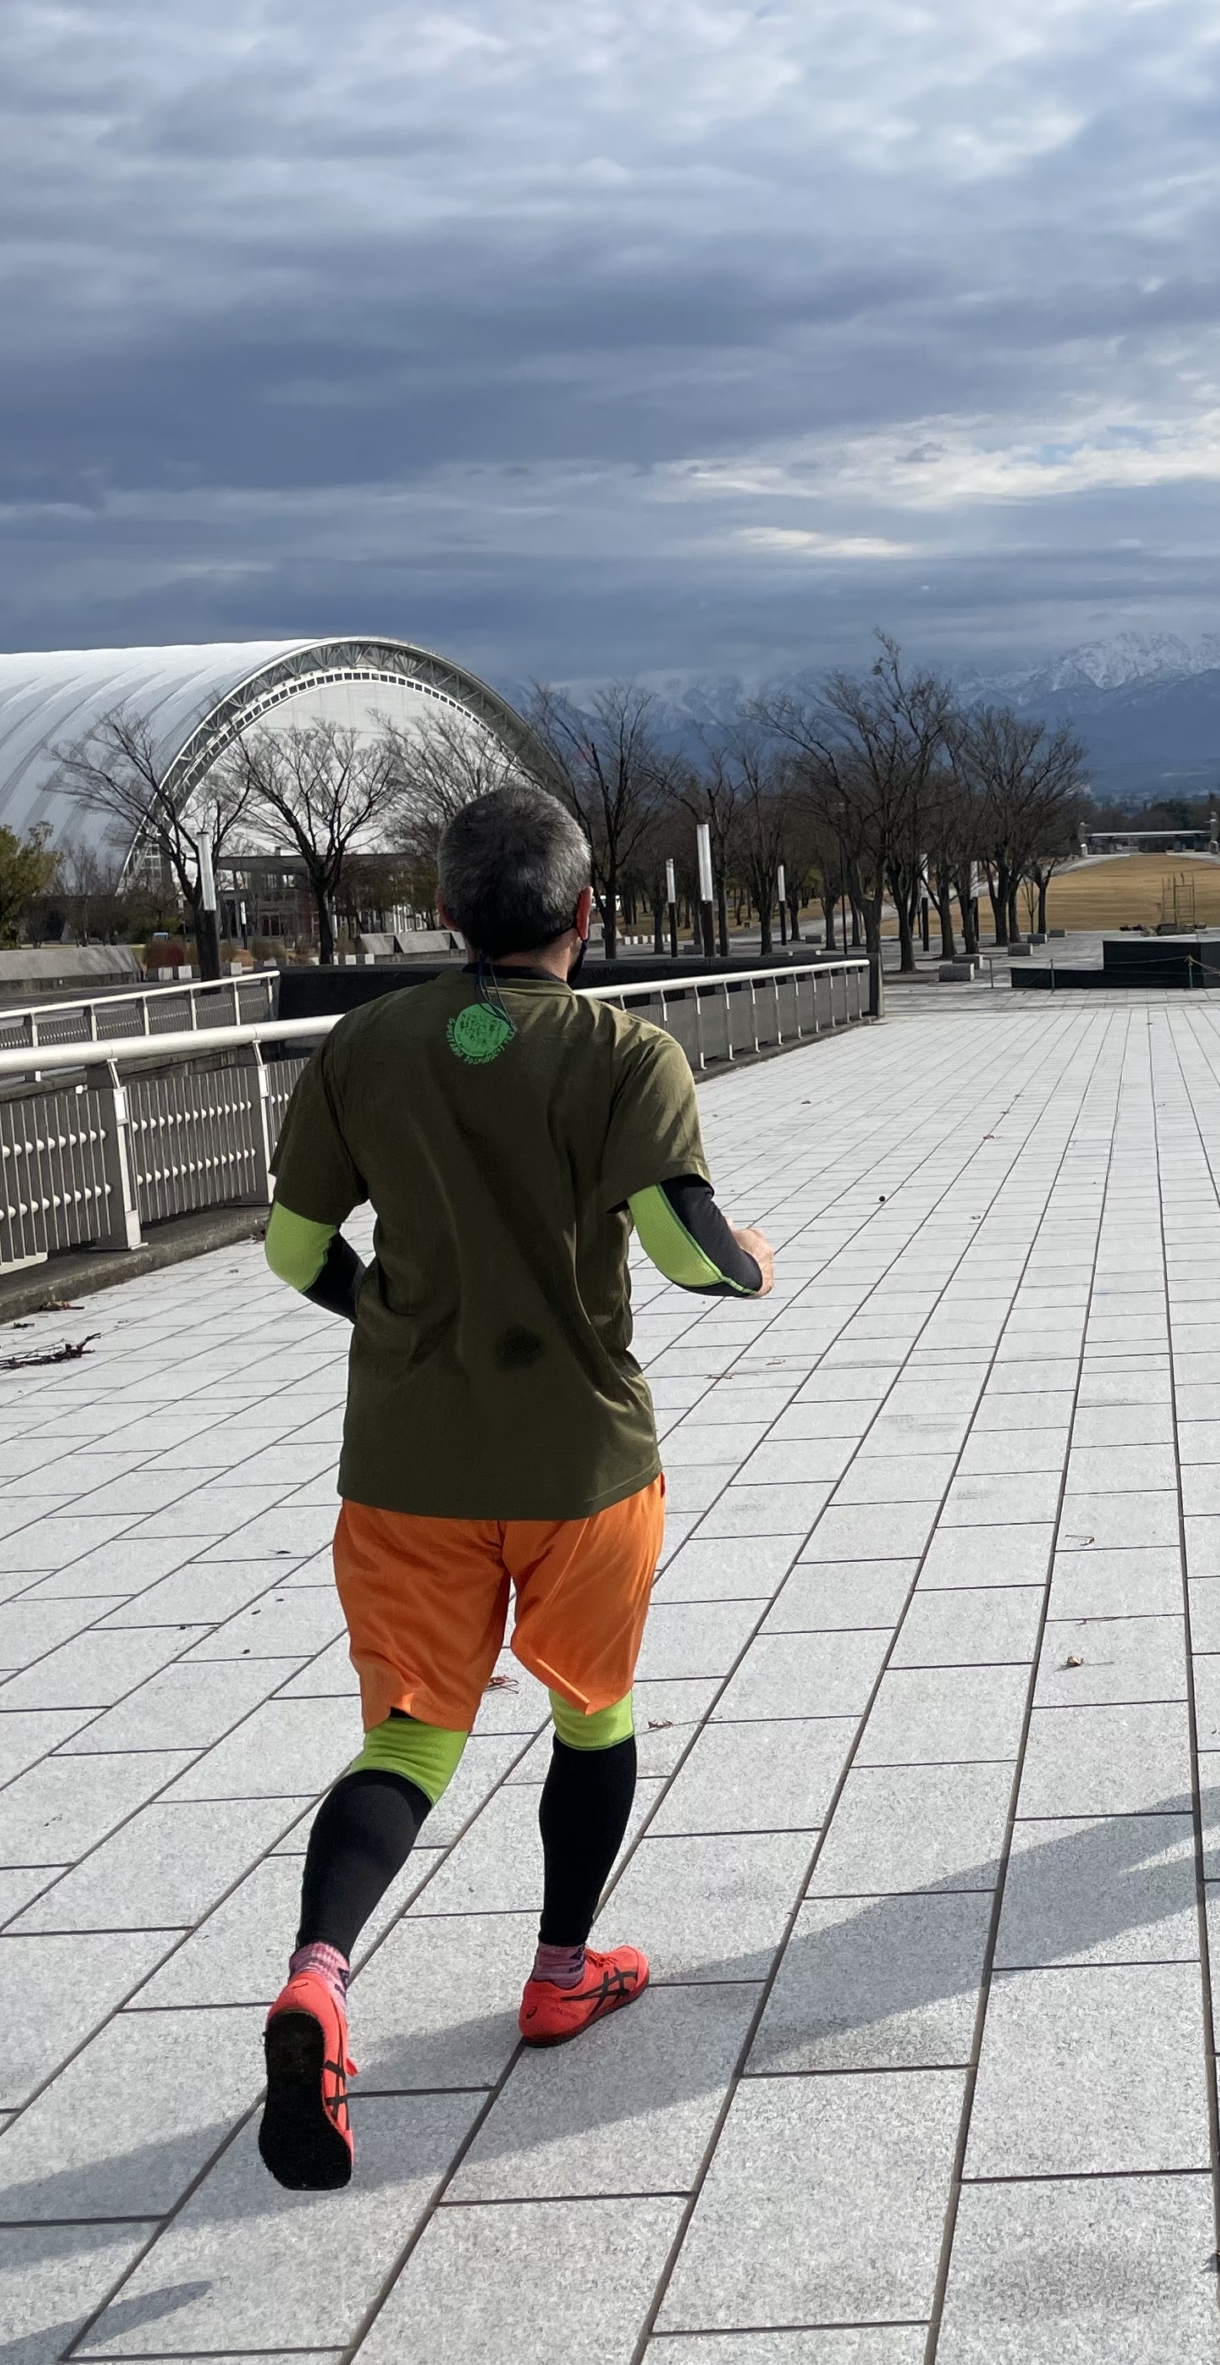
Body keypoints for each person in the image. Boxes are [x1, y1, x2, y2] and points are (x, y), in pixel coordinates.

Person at [254, 782, 775, 2190]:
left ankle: (318, 1975)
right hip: (580, 1463)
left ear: (442, 913)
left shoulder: (367, 1047)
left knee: (412, 1737)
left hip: (407, 1464)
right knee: (590, 1714)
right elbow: (684, 1250)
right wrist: (750, 1260)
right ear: (585, 914)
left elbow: (295, 1252)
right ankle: (559, 1973)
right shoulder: (626, 1053)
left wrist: (384, 1317)